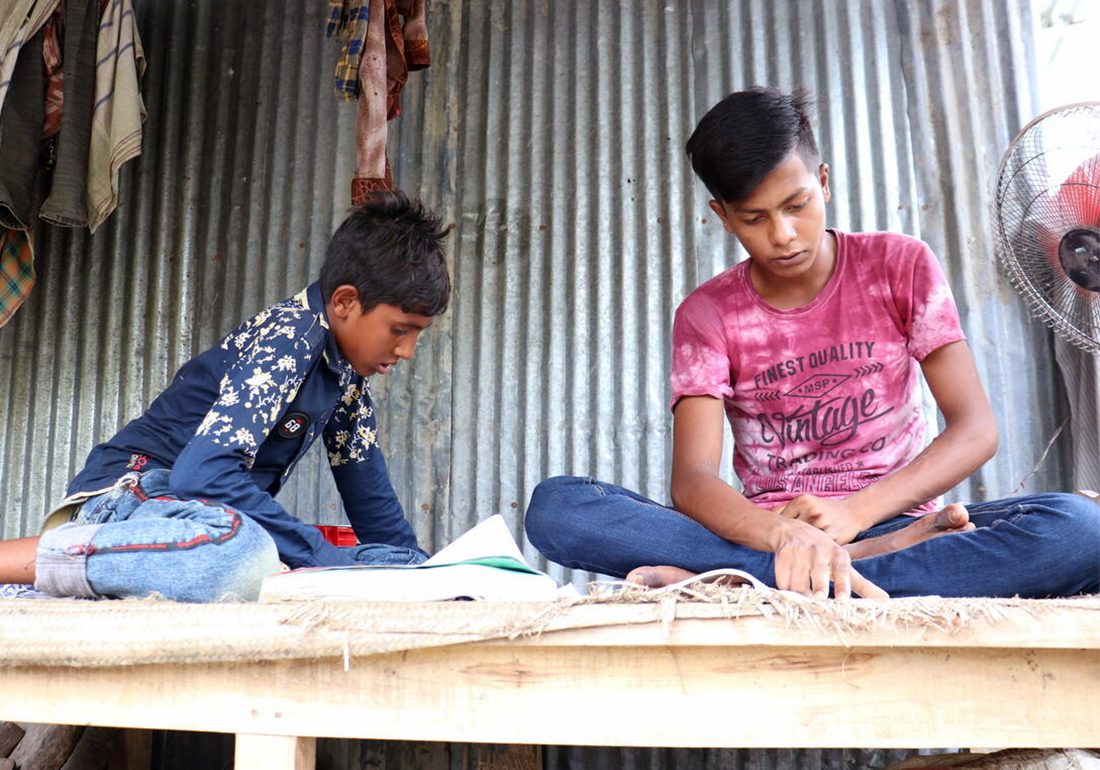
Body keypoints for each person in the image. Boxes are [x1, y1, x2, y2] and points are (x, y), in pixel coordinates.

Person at [524, 87, 1099, 600]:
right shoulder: (707, 314)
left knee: (1080, 529)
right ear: (722, 216)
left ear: (822, 180)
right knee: (559, 509)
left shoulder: (898, 264)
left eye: (796, 205)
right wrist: (783, 534)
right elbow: (693, 481)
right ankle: (813, 573)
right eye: (755, 218)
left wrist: (855, 514)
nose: (783, 234)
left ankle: (746, 581)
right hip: (772, 533)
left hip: (893, 520)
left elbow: (976, 431)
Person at [0, 190, 451, 602]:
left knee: (399, 565)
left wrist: (423, 579)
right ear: (345, 302)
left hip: (202, 516)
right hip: (132, 499)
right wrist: (319, 556)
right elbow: (202, 475)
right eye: (400, 329)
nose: (407, 351)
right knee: (242, 554)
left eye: (417, 335)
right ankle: (26, 567)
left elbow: (372, 502)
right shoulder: (291, 338)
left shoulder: (346, 375)